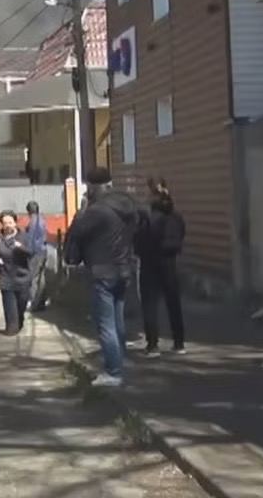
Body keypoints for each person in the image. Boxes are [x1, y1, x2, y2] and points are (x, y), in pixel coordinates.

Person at [64, 166, 149, 387]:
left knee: (105, 324)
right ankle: (119, 361)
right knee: (118, 319)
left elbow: (76, 232)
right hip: (124, 269)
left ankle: (113, 371)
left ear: (93, 186)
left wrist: (82, 210)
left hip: (102, 271)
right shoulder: (128, 206)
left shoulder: (96, 211)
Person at [138, 178, 186, 357]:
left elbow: (139, 239)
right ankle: (179, 343)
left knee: (150, 304)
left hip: (150, 263)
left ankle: (152, 345)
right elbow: (181, 234)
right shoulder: (176, 216)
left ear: (152, 195)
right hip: (170, 262)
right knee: (173, 302)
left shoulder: (148, 218)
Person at [0, 210, 34, 335]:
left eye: (10, 222)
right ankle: (11, 326)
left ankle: (20, 319)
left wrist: (20, 247)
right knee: (9, 305)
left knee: (22, 302)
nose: (8, 225)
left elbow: (31, 252)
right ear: (2, 224)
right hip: (5, 276)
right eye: (5, 223)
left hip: (22, 276)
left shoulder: (23, 236)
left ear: (15, 223)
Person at [24, 201, 50, 311]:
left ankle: (34, 302)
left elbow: (30, 240)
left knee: (33, 278)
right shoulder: (42, 220)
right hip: (43, 251)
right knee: (41, 277)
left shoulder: (33, 222)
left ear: (29, 211)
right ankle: (42, 300)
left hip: (35, 252)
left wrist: (27, 252)